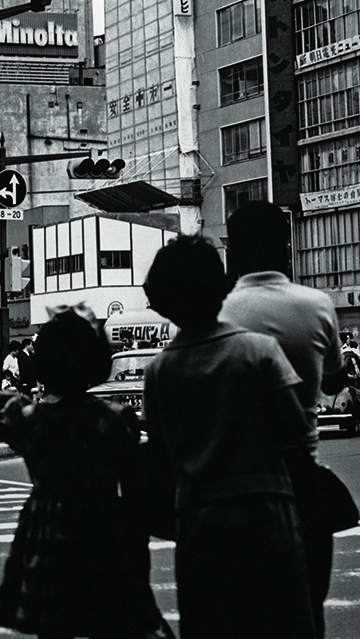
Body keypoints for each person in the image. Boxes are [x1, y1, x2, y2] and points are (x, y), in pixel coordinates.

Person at [0, 309, 173, 639]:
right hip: (105, 529)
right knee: (109, 621)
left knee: (53, 623)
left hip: (47, 530)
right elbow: (134, 485)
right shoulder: (115, 417)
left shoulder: (27, 418)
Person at [144, 234, 314, 639]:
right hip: (266, 507)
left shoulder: (160, 370)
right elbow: (297, 426)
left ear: (161, 301)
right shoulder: (258, 350)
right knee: (282, 622)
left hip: (198, 518)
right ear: (223, 288)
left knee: (210, 623)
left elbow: (160, 451)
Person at [219, 201, 345, 639]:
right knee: (308, 611)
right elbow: (332, 380)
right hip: (301, 483)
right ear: (285, 249)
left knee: (241, 617)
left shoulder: (217, 315)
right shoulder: (317, 304)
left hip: (233, 486)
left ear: (232, 253)